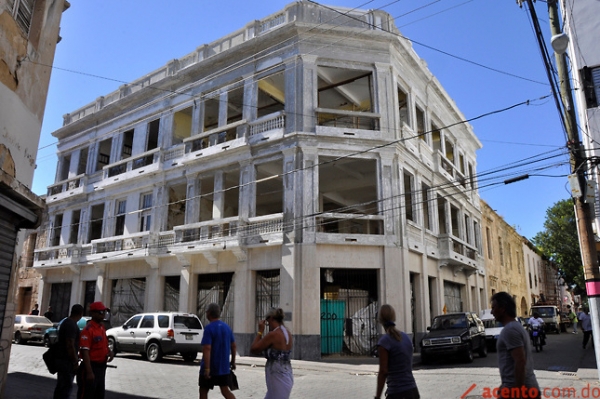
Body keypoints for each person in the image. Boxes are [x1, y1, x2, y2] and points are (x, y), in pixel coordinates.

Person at [491, 292, 540, 399]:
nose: (492, 312)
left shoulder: (511, 330)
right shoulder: (514, 327)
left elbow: (520, 361)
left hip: (518, 390)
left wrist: (517, 392)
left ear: (503, 308)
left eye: (494, 308)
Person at [374, 304, 419, 399]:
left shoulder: (384, 342)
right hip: (413, 391)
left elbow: (383, 372)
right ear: (394, 317)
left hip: (397, 393)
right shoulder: (406, 338)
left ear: (379, 320)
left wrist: (377, 396)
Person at [250, 308, 294, 399]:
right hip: (286, 374)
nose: (267, 324)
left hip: (277, 377)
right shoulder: (287, 333)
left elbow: (254, 349)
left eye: (266, 320)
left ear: (271, 319)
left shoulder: (273, 335)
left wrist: (260, 331)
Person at [77, 301, 114, 399]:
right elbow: (85, 352)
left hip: (101, 368)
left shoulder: (102, 328)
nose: (103, 315)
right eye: (100, 312)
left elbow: (103, 344)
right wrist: (89, 372)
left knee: (99, 395)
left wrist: (109, 352)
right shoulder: (88, 330)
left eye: (104, 312)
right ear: (93, 313)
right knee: (86, 395)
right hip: (91, 367)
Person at [199, 302, 236, 399]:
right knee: (225, 391)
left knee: (203, 390)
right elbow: (234, 345)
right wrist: (233, 361)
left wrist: (207, 368)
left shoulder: (209, 328)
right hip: (223, 367)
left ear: (209, 313)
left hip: (211, 366)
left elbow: (207, 348)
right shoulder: (227, 327)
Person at [54, 304, 84, 399]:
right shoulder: (71, 325)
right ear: (80, 314)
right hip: (66, 362)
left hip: (64, 360)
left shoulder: (67, 322)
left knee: (62, 387)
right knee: (65, 387)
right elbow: (70, 344)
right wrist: (75, 361)